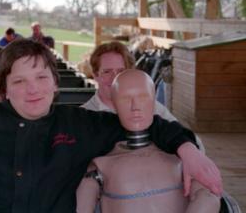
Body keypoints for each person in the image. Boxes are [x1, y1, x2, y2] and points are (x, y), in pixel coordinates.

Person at [0, 39, 221, 213]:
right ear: (5, 89)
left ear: (55, 84)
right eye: (20, 81)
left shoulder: (80, 124)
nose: (33, 90)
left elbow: (146, 125)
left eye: (42, 78)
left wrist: (187, 149)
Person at [76, 70, 220, 213]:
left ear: (153, 99)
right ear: (113, 103)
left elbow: (208, 196)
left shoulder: (180, 153)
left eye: (143, 97)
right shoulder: (101, 162)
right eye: (125, 99)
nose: (135, 107)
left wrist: (189, 151)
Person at [81, 41, 205, 152]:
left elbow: (196, 145)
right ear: (95, 75)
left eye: (121, 71)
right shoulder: (85, 116)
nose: (115, 78)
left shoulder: (152, 108)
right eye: (107, 71)